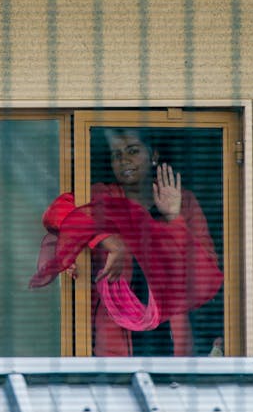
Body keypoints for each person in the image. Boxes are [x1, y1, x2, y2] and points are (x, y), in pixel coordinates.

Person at [29, 128, 223, 356]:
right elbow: (56, 212)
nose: (124, 161)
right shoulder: (103, 197)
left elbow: (205, 272)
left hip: (171, 338)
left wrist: (173, 217)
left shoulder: (184, 202)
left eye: (132, 151)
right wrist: (106, 239)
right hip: (114, 337)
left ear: (154, 155)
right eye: (116, 155)